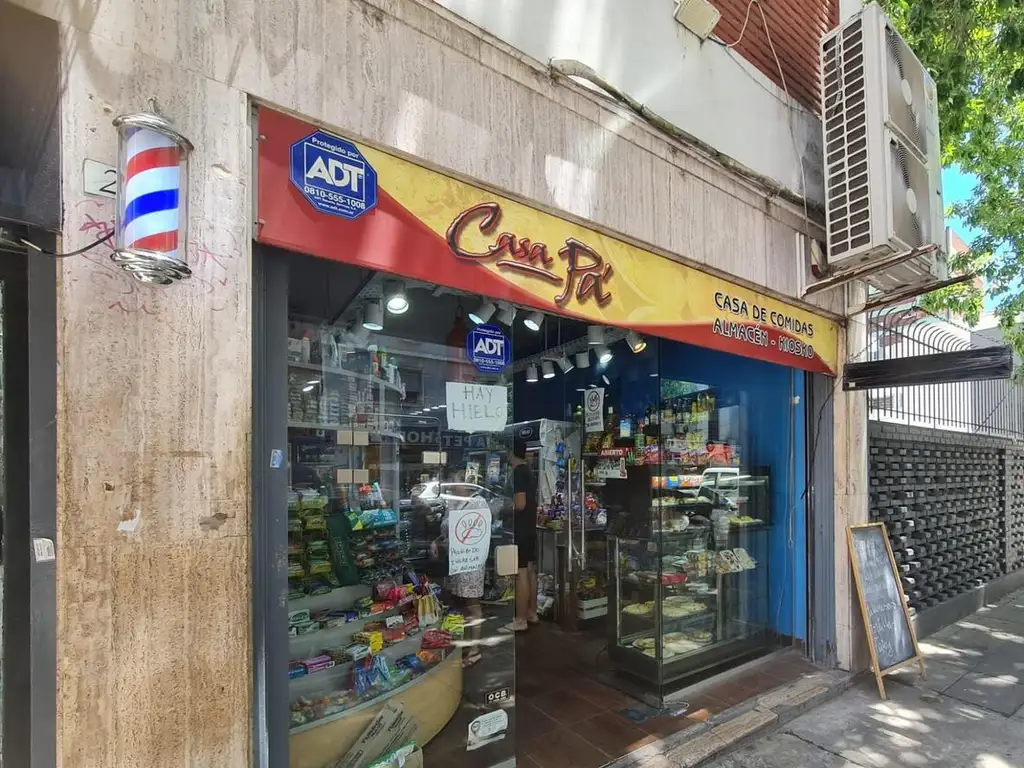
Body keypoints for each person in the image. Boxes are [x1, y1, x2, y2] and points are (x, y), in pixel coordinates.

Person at [431, 505, 485, 668]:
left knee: (472, 604)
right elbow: (447, 530)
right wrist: (437, 542)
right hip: (456, 562)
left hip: (470, 561)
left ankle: (475, 650)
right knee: (460, 604)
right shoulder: (454, 503)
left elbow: (479, 533)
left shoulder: (478, 502)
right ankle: (466, 643)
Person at [504, 436, 538, 632]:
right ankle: (532, 612)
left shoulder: (518, 472)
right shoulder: (528, 471)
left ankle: (520, 619)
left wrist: (502, 508)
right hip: (530, 528)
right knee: (530, 569)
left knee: (520, 572)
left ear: (511, 452)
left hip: (521, 529)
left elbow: (520, 504)